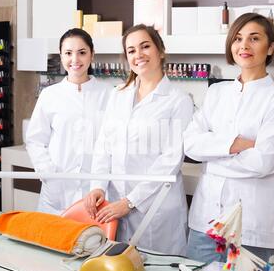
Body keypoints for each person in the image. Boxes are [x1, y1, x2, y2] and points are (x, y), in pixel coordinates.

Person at [183, 13, 274, 264]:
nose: (244, 45)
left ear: (271, 46)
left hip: (250, 227)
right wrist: (238, 145)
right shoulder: (216, 92)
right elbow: (190, 145)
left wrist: (213, 153)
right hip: (205, 221)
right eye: (238, 38)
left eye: (254, 38)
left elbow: (263, 162)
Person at [83, 24, 194, 255]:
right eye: (131, 50)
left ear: (160, 50)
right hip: (115, 206)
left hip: (156, 208)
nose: (138, 55)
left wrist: (130, 201)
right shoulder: (118, 95)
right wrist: (97, 186)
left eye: (145, 46)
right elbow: (104, 146)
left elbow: (170, 160)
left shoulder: (178, 100)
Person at [26, 28, 112, 215]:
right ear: (61, 56)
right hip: (57, 192)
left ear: (92, 55)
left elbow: (112, 142)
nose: (75, 60)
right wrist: (48, 173)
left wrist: (100, 184)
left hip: (94, 193)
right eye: (68, 53)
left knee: (89, 242)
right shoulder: (50, 95)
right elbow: (35, 140)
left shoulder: (109, 94)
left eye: (82, 52)